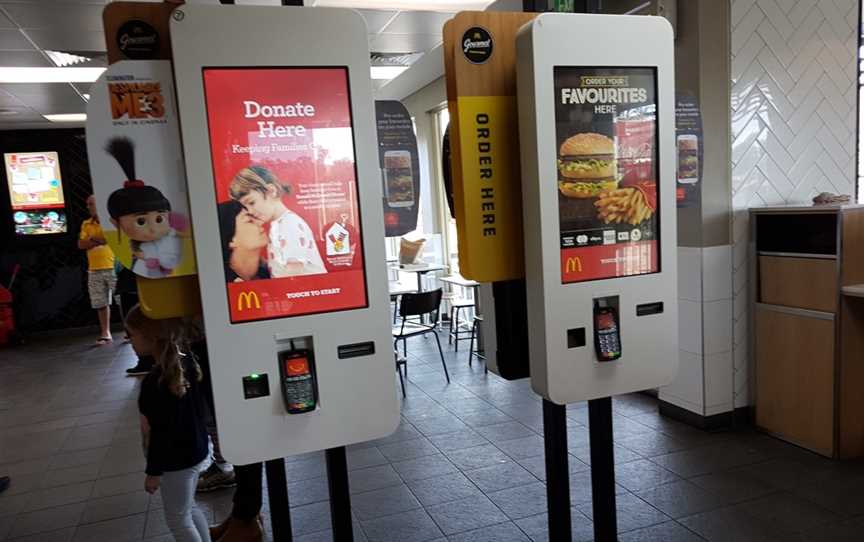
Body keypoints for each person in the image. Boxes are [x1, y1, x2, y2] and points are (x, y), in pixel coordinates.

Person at [128, 305, 211, 542]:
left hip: (175, 462)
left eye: (132, 334)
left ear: (150, 336)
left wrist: (153, 472)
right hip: (195, 450)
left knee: (177, 519)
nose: (129, 340)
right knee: (189, 508)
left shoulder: (155, 383)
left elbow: (160, 433)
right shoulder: (186, 364)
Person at [105, 137, 185, 278]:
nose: (153, 228)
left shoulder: (171, 238)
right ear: (116, 223)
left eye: (159, 219)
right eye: (141, 221)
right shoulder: (135, 253)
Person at [228, 165, 326, 278]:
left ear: (271, 191)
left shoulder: (289, 225)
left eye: (251, 202)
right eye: (245, 207)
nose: (250, 211)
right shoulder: (279, 225)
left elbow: (294, 274)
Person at [79, 195, 116, 345]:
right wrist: (99, 239)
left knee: (122, 300)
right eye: (87, 204)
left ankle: (129, 331)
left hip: (113, 266)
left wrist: (92, 240)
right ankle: (105, 332)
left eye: (91, 204)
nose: (88, 207)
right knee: (100, 302)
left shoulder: (110, 221)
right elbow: (81, 244)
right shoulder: (86, 224)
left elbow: (111, 239)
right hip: (94, 269)